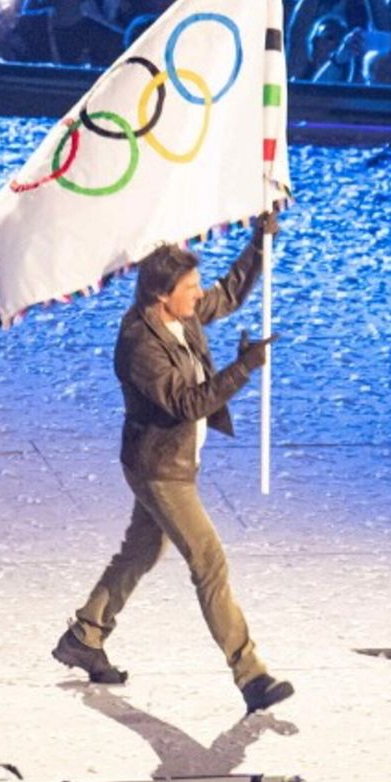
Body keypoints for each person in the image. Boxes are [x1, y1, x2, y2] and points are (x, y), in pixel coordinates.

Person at [52, 214, 295, 715]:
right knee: (208, 561)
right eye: (189, 287)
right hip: (159, 469)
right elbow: (186, 403)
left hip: (174, 460)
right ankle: (251, 675)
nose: (198, 294)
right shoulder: (140, 344)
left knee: (140, 551)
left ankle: (84, 635)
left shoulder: (178, 314)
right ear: (163, 295)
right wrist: (243, 368)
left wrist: (259, 244)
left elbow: (226, 295)